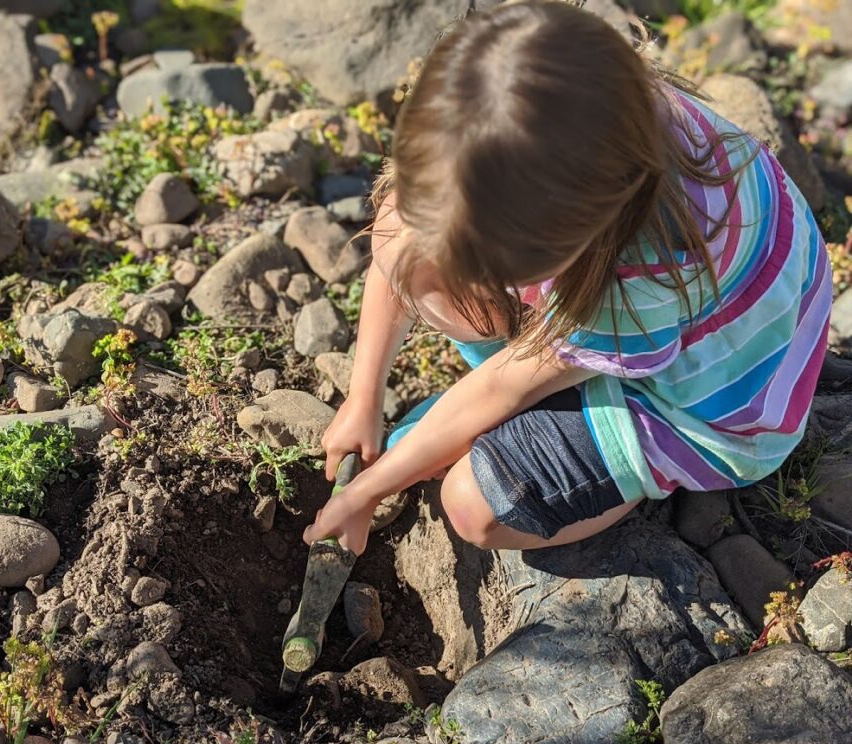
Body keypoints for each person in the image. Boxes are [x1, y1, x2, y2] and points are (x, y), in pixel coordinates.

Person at [302, 0, 831, 556]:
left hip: (715, 394)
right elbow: (405, 234)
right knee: (404, 233)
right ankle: (557, 386)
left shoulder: (638, 273)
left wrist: (369, 489)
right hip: (643, 305)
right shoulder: (569, 106)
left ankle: (630, 450)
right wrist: (363, 398)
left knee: (473, 506)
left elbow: (507, 384)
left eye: (498, 267)